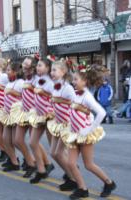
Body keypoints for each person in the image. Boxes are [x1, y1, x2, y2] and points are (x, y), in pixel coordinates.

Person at [62, 64, 116, 199]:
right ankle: (82, 189)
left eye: (76, 80)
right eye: (73, 79)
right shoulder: (74, 94)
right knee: (71, 163)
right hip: (74, 133)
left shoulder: (87, 96)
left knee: (88, 165)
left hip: (85, 135)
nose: (73, 82)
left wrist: (89, 129)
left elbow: (101, 113)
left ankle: (109, 183)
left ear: (85, 81)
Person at [47, 59, 77, 191]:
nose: (52, 72)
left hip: (67, 124)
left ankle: (73, 179)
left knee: (58, 153)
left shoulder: (68, 88)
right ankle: (70, 175)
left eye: (55, 70)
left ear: (63, 72)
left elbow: (75, 104)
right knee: (53, 153)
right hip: (58, 123)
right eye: (51, 70)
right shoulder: (56, 86)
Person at [29, 56, 55, 184]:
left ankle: (71, 173)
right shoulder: (37, 79)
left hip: (50, 116)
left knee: (55, 149)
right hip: (39, 115)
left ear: (48, 68)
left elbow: (55, 96)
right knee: (33, 143)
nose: (37, 67)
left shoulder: (51, 82)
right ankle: (41, 170)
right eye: (37, 65)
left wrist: (43, 93)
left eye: (40, 65)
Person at [0, 61, 24, 171]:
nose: (7, 72)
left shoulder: (21, 82)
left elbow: (23, 95)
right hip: (7, 114)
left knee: (15, 140)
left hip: (16, 114)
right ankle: (14, 161)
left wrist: (12, 91)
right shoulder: (9, 82)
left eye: (9, 70)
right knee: (5, 139)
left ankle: (29, 160)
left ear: (16, 71)